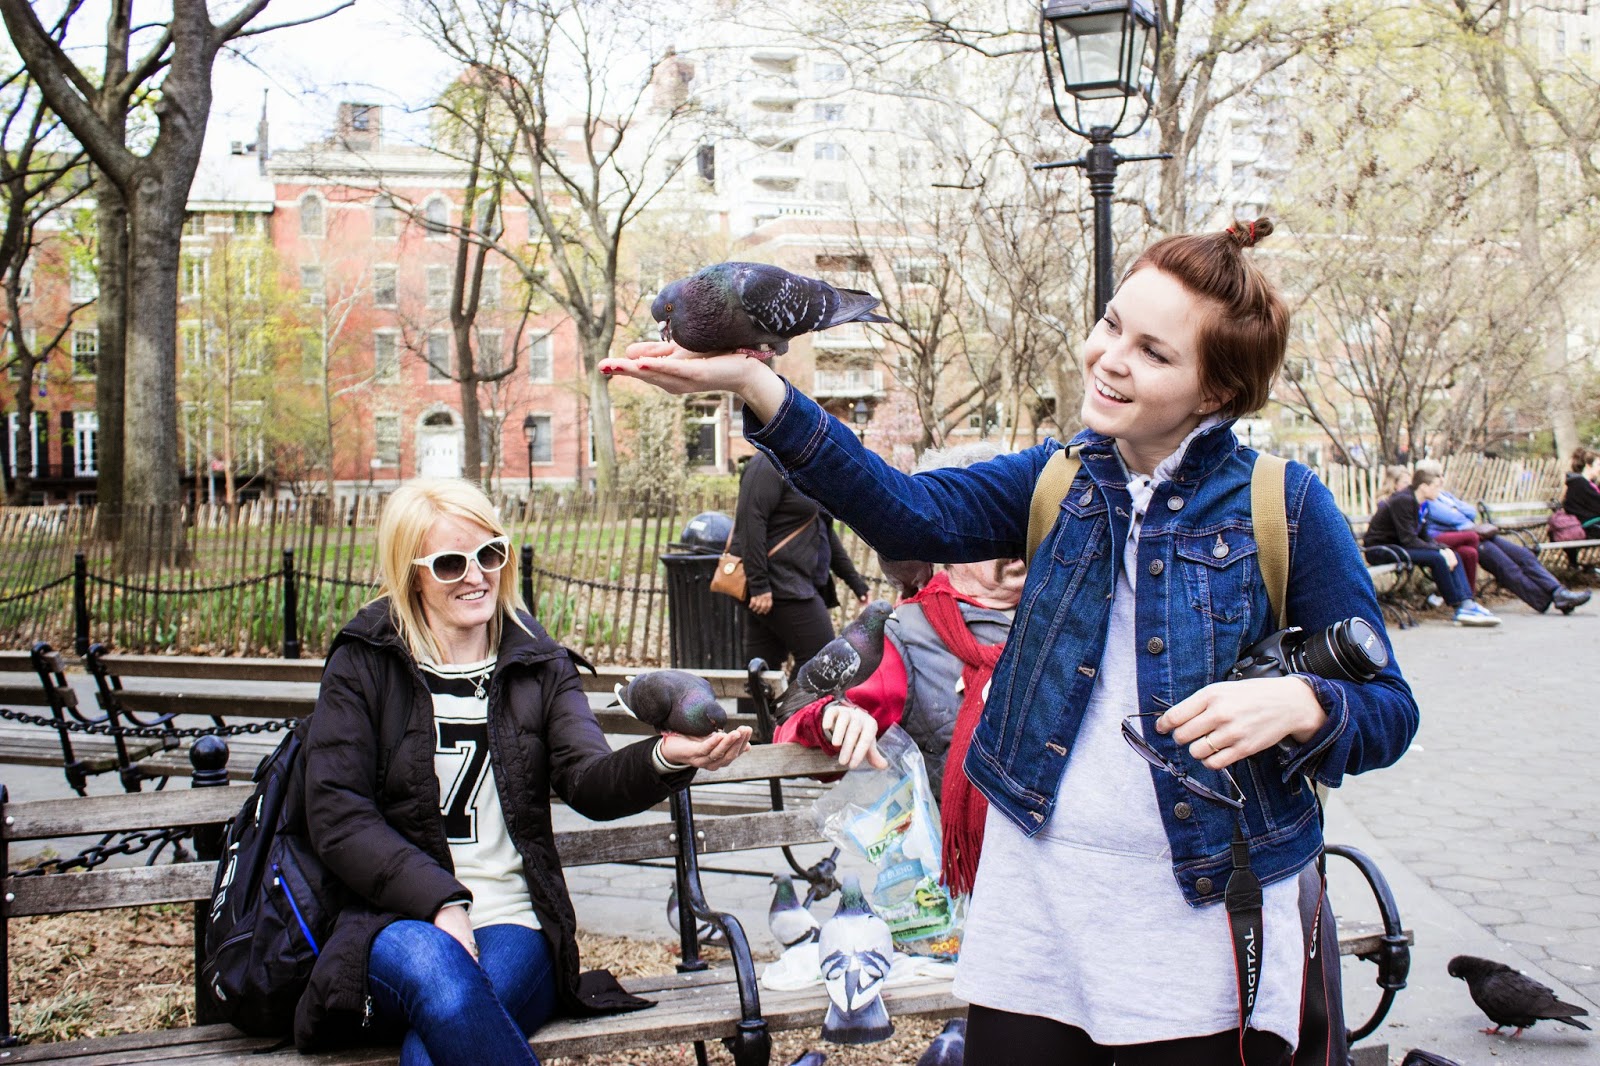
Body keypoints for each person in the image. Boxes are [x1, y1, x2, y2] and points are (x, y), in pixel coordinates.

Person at [603, 218, 1419, 1064]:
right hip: (1038, 896)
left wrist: (1303, 703)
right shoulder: (1056, 480)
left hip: (1201, 906)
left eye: (1153, 352)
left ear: (1214, 392)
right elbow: (906, 512)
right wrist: (753, 380)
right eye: (1111, 325)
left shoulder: (1285, 506)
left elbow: (1388, 710)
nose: (1110, 358)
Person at [295, 478, 751, 1063]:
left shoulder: (536, 660)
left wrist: (664, 757)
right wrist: (440, 903)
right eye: (451, 563)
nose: (476, 575)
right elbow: (339, 816)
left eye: (489, 554)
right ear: (412, 575)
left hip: (512, 921)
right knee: (435, 967)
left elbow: (586, 779)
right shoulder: (365, 661)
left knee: (433, 1046)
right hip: (391, 922)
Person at [774, 442, 1026, 895]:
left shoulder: (1078, 615)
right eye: (994, 522)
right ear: (948, 538)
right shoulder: (906, 636)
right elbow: (792, 730)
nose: (1016, 536)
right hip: (962, 884)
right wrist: (835, 717)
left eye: (1022, 518)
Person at [735, 449, 870, 678]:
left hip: (792, 583)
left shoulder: (804, 468)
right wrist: (759, 586)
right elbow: (750, 521)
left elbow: (823, 531)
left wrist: (855, 583)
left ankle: (767, 703)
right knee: (822, 658)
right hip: (779, 585)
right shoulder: (767, 463)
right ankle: (790, 703)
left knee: (761, 671)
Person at [1416, 459, 1589, 615]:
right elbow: (1454, 518)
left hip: (1478, 534)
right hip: (1461, 540)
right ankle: (1544, 599)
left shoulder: (1444, 496)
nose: (1442, 479)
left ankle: (1558, 591)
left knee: (1523, 555)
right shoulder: (1428, 500)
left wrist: (1458, 512)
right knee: (1506, 565)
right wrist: (1458, 512)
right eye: (1438, 475)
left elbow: (1471, 511)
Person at [1364, 469, 1501, 626]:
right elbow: (1408, 539)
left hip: (1399, 546)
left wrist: (1444, 548)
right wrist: (1440, 551)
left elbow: (1424, 537)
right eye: (1436, 486)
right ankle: (1459, 607)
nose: (1439, 491)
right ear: (1423, 487)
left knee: (1453, 554)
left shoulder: (1421, 503)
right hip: (1380, 550)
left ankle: (1468, 602)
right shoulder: (1403, 501)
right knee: (1437, 558)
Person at [1563, 447, 1600, 533]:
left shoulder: (1586, 483)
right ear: (1588, 466)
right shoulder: (1579, 484)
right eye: (1598, 465)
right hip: (1589, 527)